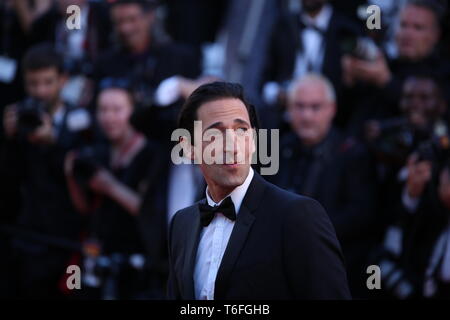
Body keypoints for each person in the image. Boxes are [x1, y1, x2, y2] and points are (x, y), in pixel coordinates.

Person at [167, 81, 350, 300]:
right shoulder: (182, 224)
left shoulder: (297, 216)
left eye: (241, 130)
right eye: (216, 134)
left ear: (254, 141)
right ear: (188, 148)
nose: (232, 145)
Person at [269, 74, 378, 298]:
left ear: (332, 109)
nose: (306, 116)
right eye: (299, 106)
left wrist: (308, 234)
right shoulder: (277, 148)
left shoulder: (353, 153)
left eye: (315, 107)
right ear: (289, 108)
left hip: (333, 270)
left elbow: (362, 215)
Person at [1, 43, 93, 299]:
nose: (40, 91)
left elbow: (85, 176)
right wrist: (9, 139)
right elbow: (8, 181)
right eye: (33, 83)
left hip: (66, 241)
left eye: (47, 82)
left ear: (63, 80)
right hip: (23, 237)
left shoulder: (81, 121)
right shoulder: (16, 117)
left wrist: (55, 143)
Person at [64, 85, 168, 299]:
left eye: (117, 109)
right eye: (103, 110)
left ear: (133, 111)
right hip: (97, 257)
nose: (109, 117)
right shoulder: (97, 150)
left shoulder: (153, 154)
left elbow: (151, 213)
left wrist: (110, 186)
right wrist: (71, 178)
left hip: (137, 266)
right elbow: (85, 209)